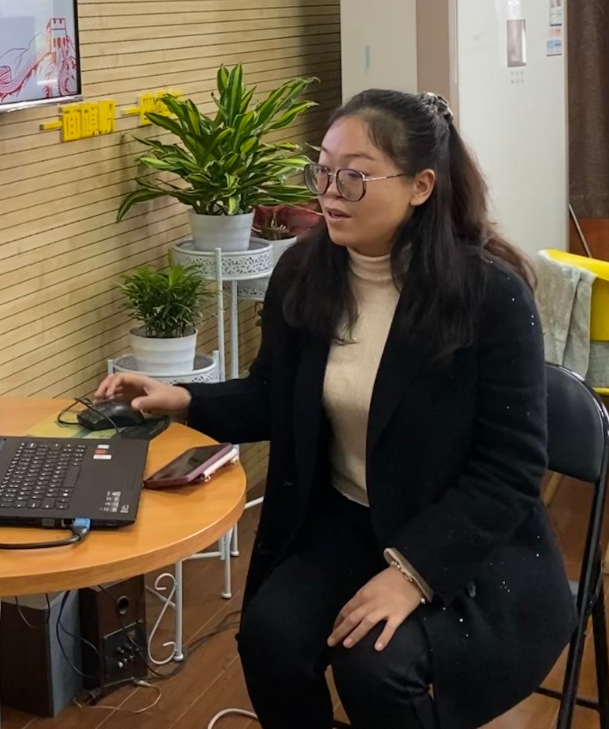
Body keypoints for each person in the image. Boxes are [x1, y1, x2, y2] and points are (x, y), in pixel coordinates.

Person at [98, 89, 574, 729]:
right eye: (322, 171)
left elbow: (509, 471)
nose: (329, 193)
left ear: (421, 186)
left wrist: (411, 575)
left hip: (465, 540)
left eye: (354, 176)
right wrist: (183, 399)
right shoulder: (305, 272)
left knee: (373, 667)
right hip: (350, 522)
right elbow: (277, 395)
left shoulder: (488, 297)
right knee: (269, 636)